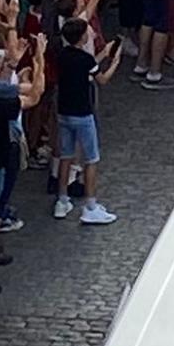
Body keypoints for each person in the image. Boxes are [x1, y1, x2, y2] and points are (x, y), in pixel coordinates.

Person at [50, 16, 120, 222]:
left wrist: (102, 54)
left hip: (64, 112)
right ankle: (90, 205)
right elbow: (102, 79)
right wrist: (114, 62)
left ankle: (62, 200)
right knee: (91, 159)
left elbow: (86, 67)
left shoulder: (63, 55)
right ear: (82, 37)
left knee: (66, 156)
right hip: (83, 113)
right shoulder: (85, 60)